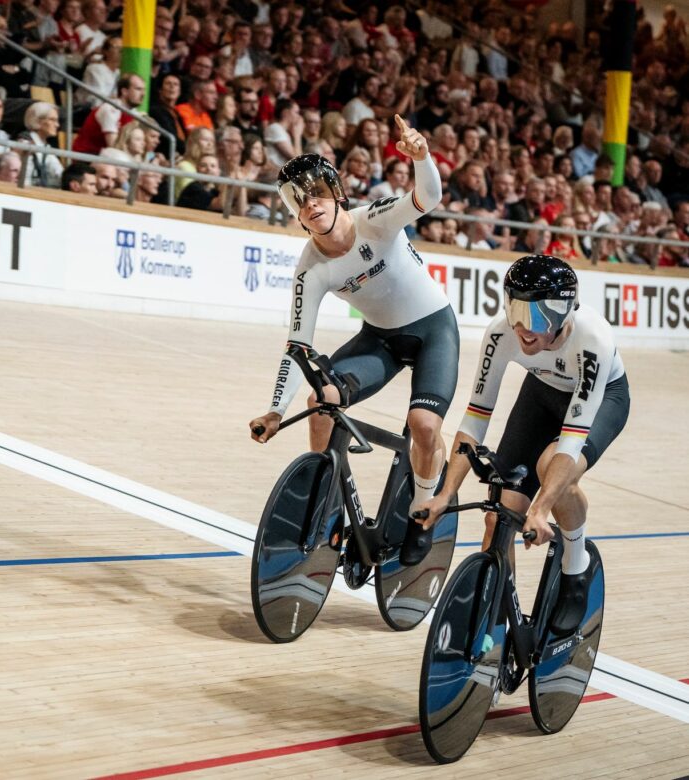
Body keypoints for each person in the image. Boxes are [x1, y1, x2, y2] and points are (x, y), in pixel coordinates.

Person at [248, 115, 458, 567]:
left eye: (316, 193)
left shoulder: (375, 221)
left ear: (336, 193)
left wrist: (422, 158)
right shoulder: (311, 269)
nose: (310, 205)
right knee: (321, 399)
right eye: (298, 202)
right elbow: (297, 346)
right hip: (380, 340)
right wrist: (274, 410)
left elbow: (429, 197)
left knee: (424, 427)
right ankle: (321, 501)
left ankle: (422, 512)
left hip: (433, 331)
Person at [418, 255, 629, 636]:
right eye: (515, 309)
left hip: (601, 402)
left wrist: (541, 509)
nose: (522, 328)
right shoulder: (501, 334)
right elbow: (475, 418)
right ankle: (496, 628)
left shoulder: (592, 339)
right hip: (542, 395)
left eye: (535, 316)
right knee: (498, 515)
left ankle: (575, 566)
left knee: (553, 467)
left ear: (563, 311)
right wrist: (446, 493)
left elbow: (572, 439)